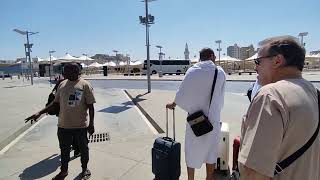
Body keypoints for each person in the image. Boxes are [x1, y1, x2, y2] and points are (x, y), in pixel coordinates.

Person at [238, 36, 320, 180]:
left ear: (277, 60)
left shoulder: (270, 96)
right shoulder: (313, 91)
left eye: (258, 61)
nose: (255, 67)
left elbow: (253, 173)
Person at [25, 62, 96, 180]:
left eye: (67, 71)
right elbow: (55, 103)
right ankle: (64, 171)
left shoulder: (85, 85)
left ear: (76, 71)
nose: (64, 73)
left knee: (84, 150)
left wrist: (91, 124)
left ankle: (84, 169)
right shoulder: (62, 84)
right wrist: (39, 113)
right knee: (64, 151)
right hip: (63, 126)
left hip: (80, 127)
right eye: (65, 70)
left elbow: (91, 107)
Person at [166, 48, 226, 180]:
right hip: (213, 121)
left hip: (195, 121)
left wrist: (174, 104)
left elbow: (181, 93)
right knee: (211, 152)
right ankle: (209, 178)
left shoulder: (192, 71)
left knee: (191, 152)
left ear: (200, 58)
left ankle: (190, 179)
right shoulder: (220, 72)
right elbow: (221, 98)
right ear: (211, 56)